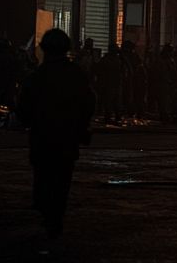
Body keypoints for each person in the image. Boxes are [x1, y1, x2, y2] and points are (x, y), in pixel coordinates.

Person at [15, 29, 96, 239]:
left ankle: (46, 211)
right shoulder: (76, 75)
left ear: (44, 49)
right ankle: (55, 217)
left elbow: (23, 109)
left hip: (42, 138)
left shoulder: (37, 77)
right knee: (62, 180)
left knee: (43, 176)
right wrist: (81, 126)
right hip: (67, 138)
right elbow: (89, 103)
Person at [95, 43, 125, 125]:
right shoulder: (107, 60)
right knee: (109, 101)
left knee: (116, 101)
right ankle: (109, 117)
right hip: (109, 84)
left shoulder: (116, 59)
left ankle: (116, 117)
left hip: (115, 83)